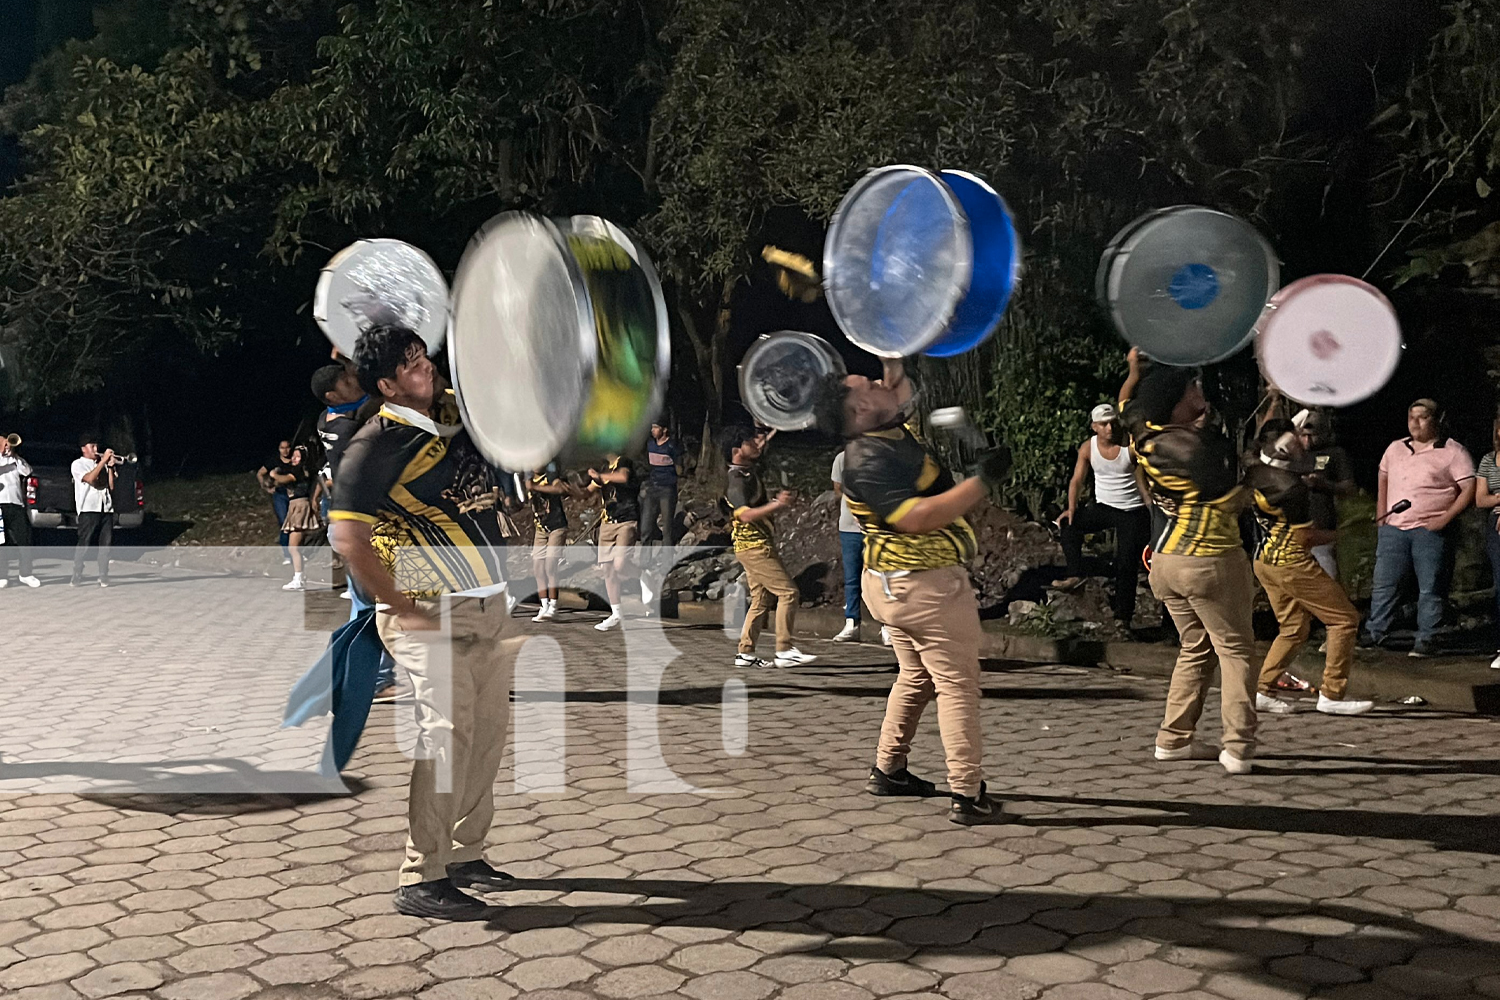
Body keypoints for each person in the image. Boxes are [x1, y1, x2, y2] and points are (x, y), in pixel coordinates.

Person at [329, 324, 519, 921]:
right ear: (386, 384)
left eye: (423, 357)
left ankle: (465, 854)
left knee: (485, 736)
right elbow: (347, 539)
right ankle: (421, 874)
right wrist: (402, 605)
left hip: (488, 604)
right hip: (430, 606)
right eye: (411, 365)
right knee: (446, 736)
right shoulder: (373, 444)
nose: (427, 368)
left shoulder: (446, 429)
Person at [827, 359, 1005, 824]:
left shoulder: (882, 429)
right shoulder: (865, 459)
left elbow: (900, 383)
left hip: (892, 587)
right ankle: (968, 794)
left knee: (916, 677)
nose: (884, 382)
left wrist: (891, 339)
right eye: (870, 382)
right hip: (925, 588)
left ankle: (889, 770)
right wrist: (982, 482)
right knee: (956, 686)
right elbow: (917, 517)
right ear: (863, 406)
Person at [1121, 354, 1258, 775]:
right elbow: (1235, 497)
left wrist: (1134, 370)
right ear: (1176, 402)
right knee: (1236, 651)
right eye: (1191, 390)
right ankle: (1237, 747)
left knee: (1195, 647)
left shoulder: (1142, 437)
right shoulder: (1197, 449)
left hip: (1165, 561)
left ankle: (1173, 739)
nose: (1200, 394)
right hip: (1210, 558)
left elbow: (1128, 405)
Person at [1245, 420, 1373, 716]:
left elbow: (1255, 447)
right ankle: (1332, 694)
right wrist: (1347, 533)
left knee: (1293, 627)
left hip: (1264, 559)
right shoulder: (1292, 490)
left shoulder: (1256, 471)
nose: (1302, 445)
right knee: (1344, 620)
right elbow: (1307, 537)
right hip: (1291, 561)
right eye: (1294, 443)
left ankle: (1263, 688)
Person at [1362, 398, 1475, 657]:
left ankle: (1427, 638)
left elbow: (1468, 489)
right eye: (1411, 416)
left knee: (1431, 586)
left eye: (1422, 417)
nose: (1415, 422)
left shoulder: (1453, 452)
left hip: (1430, 530)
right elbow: (1383, 478)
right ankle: (1376, 632)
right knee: (1385, 584)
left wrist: (1445, 518)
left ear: (1436, 420)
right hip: (1394, 529)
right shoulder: (1395, 448)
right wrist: (1382, 516)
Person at [722, 424, 816, 668]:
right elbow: (744, 515)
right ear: (736, 450)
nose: (757, 445)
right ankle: (784, 649)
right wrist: (777, 504)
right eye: (751, 442)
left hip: (756, 544)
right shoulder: (735, 481)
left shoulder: (746, 470)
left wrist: (771, 431)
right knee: (788, 593)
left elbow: (759, 447)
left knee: (760, 599)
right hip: (754, 547)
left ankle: (745, 652)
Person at [1053, 402, 1151, 626]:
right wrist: (1071, 508)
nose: (1110, 428)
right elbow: (1077, 480)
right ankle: (1075, 574)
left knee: (1126, 562)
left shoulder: (1130, 444)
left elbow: (1145, 475)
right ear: (1094, 427)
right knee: (1069, 524)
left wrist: (1151, 507)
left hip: (1131, 509)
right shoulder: (1088, 448)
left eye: (1113, 422)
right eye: (1104, 424)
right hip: (1104, 507)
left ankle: (1122, 617)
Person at [587, 454, 641, 631]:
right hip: (607, 524)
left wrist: (600, 477)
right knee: (607, 569)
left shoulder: (624, 461)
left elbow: (623, 477)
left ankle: (643, 576)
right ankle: (616, 613)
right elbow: (588, 491)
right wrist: (571, 488)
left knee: (620, 565)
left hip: (626, 521)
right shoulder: (603, 467)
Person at [529, 465, 575, 622]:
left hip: (557, 527)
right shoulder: (526, 479)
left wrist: (535, 487)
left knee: (550, 565)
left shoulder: (550, 475)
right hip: (541, 528)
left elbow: (559, 489)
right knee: (537, 567)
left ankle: (553, 605)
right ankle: (544, 605)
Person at [72, 435, 117, 588]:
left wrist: (110, 467)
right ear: (83, 448)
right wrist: (103, 462)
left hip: (106, 507)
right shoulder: (78, 464)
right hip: (88, 508)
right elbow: (91, 479)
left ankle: (103, 575)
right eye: (92, 446)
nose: (96, 449)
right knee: (84, 542)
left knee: (106, 544)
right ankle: (77, 572)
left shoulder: (101, 464)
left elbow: (110, 486)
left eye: (96, 446)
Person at [275, 446, 322, 591]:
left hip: (299, 507)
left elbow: (282, 478)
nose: (293, 459)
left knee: (293, 547)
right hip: (296, 506)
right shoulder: (304, 472)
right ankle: (299, 577)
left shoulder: (300, 472)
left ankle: (299, 578)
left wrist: (273, 473)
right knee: (294, 547)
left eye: (297, 457)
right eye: (293, 456)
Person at [831, 448, 864, 641]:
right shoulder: (842, 458)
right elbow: (837, 487)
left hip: (875, 527)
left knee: (880, 577)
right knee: (852, 579)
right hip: (849, 526)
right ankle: (852, 622)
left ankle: (887, 626)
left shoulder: (881, 455)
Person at [0, 434, 40, 588]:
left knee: (25, 539)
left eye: (8, 443)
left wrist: (15, 456)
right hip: (0, 505)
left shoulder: (14, 460)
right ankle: (2, 575)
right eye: (4, 443)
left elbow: (27, 470)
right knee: (2, 542)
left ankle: (26, 574)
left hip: (16, 504)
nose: (7, 446)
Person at [641, 419, 681, 545]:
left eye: (656, 428)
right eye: (652, 427)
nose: (653, 430)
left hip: (667, 489)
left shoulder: (672, 446)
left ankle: (667, 561)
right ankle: (644, 561)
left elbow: (680, 468)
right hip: (652, 487)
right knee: (646, 527)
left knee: (667, 528)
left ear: (664, 429)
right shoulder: (650, 444)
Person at [258, 440, 295, 564]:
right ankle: (287, 555)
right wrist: (266, 487)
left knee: (295, 523)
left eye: (287, 447)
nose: (285, 450)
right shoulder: (274, 461)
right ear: (279, 449)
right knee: (284, 523)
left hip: (294, 493)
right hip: (280, 494)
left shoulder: (295, 459)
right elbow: (260, 473)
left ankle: (297, 552)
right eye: (282, 448)